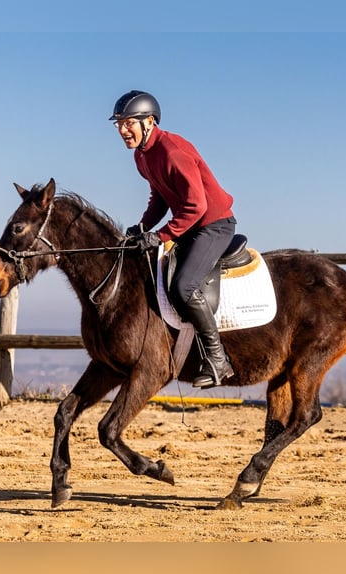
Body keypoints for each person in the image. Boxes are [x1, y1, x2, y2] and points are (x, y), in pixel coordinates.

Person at [110, 90, 237, 389]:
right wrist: (142, 227)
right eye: (118, 125)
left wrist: (160, 236)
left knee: (183, 287)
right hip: (190, 226)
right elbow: (161, 196)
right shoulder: (141, 156)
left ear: (149, 122)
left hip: (213, 226)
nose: (122, 131)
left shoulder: (173, 151)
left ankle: (218, 359)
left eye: (128, 123)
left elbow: (197, 206)